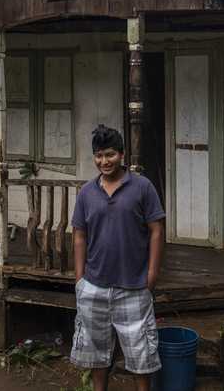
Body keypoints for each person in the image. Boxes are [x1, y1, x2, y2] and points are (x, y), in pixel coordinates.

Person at [70, 125, 165, 391]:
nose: (104, 161)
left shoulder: (142, 187)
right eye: (99, 156)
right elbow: (79, 235)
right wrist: (79, 280)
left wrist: (152, 274)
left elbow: (157, 231)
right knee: (97, 353)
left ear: (122, 155)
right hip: (94, 286)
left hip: (134, 286)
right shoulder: (87, 193)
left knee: (140, 354)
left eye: (110, 155)